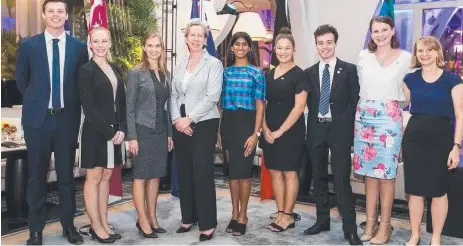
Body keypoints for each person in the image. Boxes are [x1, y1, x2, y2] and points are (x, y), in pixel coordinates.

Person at [15, 0, 88, 244]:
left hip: (67, 120)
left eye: (60, 11)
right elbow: (21, 82)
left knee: (67, 177)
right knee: (37, 177)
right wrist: (38, 102)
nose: (56, 15)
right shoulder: (28, 45)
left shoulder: (79, 48)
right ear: (44, 15)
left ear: (66, 15)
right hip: (38, 122)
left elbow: (81, 84)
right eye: (51, 11)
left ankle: (69, 226)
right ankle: (35, 230)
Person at [353, 16, 412, 244]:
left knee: (386, 175)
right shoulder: (363, 56)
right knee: (369, 175)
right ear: (371, 33)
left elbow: (408, 94)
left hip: (389, 119)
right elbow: (361, 87)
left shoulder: (406, 58)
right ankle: (370, 222)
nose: (380, 34)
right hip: (365, 117)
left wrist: (395, 108)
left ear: (393, 30)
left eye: (384, 30)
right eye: (375, 31)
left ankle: (385, 226)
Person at [303, 24, 362, 245]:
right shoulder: (308, 73)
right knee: (317, 178)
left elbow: (355, 102)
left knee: (341, 180)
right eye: (320, 43)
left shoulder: (349, 70)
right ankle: (322, 221)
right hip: (316, 130)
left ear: (335, 43)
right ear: (316, 45)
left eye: (329, 42)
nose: (325, 47)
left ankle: (350, 229)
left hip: (340, 132)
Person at [402, 36, 463, 246]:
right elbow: (403, 107)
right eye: (420, 50)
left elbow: (460, 115)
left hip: (441, 141)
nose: (424, 54)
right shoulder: (410, 80)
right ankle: (415, 235)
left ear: (438, 52)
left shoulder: (453, 80)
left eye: (429, 50)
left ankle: (436, 238)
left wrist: (456, 147)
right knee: (415, 191)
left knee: (439, 192)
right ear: (416, 54)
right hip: (414, 140)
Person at [170, 19, 223, 242]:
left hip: (204, 123)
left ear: (205, 39)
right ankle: (188, 217)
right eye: (192, 35)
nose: (196, 39)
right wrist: (176, 119)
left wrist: (190, 119)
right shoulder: (180, 63)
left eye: (200, 35)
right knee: (185, 171)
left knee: (201, 172)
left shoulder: (214, 64)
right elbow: (173, 94)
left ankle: (208, 222)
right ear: (186, 38)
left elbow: (213, 97)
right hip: (180, 124)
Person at [78, 26, 127, 244]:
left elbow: (121, 103)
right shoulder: (86, 70)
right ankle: (95, 226)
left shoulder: (114, 68)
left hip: (115, 132)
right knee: (94, 178)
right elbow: (89, 108)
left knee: (107, 176)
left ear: (109, 43)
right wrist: (110, 132)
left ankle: (104, 221)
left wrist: (122, 128)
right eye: (95, 41)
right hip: (96, 133)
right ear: (90, 44)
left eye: (104, 41)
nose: (100, 45)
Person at [126, 33, 174, 238]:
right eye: (150, 45)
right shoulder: (136, 72)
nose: (154, 49)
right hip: (142, 129)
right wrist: (132, 136)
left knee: (155, 175)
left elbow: (168, 107)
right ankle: (142, 219)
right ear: (144, 48)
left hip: (161, 130)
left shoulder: (165, 74)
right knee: (141, 176)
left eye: (157, 46)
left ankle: (153, 217)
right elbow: (129, 107)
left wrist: (170, 134)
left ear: (162, 49)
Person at [260, 27, 307, 233]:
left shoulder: (300, 75)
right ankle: (280, 211)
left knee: (289, 172)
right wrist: (264, 128)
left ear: (293, 49)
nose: (283, 51)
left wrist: (279, 132)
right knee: (275, 171)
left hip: (291, 131)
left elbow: (299, 108)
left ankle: (288, 215)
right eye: (279, 48)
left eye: (287, 48)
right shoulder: (268, 74)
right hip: (269, 129)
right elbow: (262, 103)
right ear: (275, 49)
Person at [220, 32, 265, 236]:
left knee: (244, 172)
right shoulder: (225, 73)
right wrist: (219, 130)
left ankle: (243, 215)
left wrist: (256, 133)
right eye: (236, 44)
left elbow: (260, 105)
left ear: (249, 48)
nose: (240, 47)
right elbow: (220, 105)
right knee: (233, 173)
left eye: (244, 44)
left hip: (248, 123)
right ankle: (234, 213)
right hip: (228, 122)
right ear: (231, 48)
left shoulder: (257, 73)